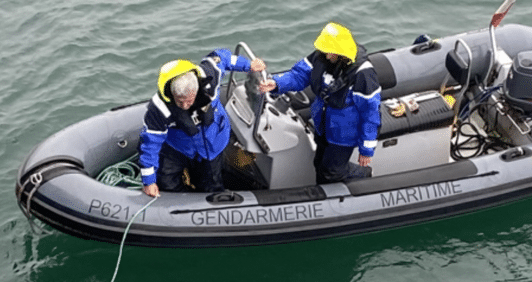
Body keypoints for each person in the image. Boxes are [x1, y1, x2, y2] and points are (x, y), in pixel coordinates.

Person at [259, 22, 381, 184]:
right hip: (323, 124)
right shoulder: (320, 57)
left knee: (332, 172)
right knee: (320, 163)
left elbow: (370, 113)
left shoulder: (363, 74)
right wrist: (276, 83)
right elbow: (299, 75)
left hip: (343, 134)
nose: (326, 54)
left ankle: (363, 173)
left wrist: (366, 149)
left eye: (330, 51)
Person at [139, 49, 266, 197]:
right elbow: (150, 142)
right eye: (180, 101)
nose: (185, 105)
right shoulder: (159, 108)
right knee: (166, 182)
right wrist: (148, 181)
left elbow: (223, 58)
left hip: (212, 142)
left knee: (211, 186)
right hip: (177, 145)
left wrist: (248, 65)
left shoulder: (210, 74)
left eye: (189, 100)